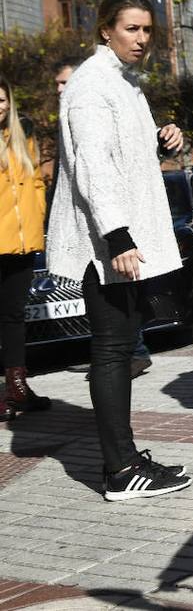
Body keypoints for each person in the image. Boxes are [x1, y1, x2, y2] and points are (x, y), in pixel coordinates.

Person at [46, 0, 191, 500]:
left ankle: (125, 459)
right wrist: (118, 237)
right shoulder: (89, 86)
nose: (142, 39)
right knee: (111, 351)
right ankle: (119, 470)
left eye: (148, 30)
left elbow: (121, 151)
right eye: (132, 29)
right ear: (105, 29)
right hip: (103, 243)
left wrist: (159, 136)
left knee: (121, 347)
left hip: (116, 239)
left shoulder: (124, 83)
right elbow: (93, 167)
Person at [0, 76, 51, 421]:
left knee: (14, 317)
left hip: (22, 244)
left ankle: (17, 387)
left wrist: (38, 217)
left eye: (2, 100)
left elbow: (35, 183)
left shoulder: (22, 136)